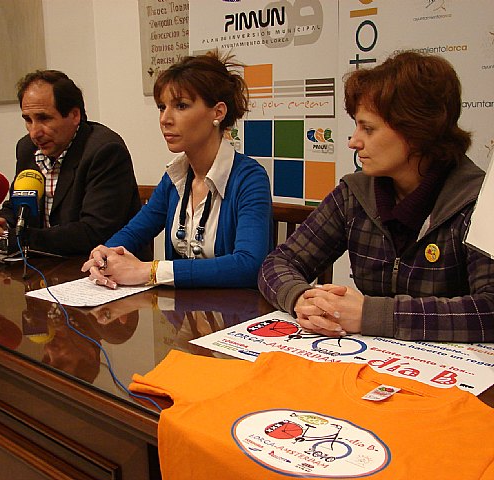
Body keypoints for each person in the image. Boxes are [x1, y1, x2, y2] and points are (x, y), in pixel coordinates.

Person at [258, 51, 494, 343]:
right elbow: (278, 263)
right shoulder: (355, 194)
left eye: (368, 129)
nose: (353, 141)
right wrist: (301, 300)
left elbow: (489, 308)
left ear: (417, 131)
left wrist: (372, 315)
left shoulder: (478, 201)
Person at [81, 50, 273, 289]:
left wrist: (149, 271)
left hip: (232, 309)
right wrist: (105, 254)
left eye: (181, 106)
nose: (165, 119)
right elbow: (134, 232)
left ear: (218, 112)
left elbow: (248, 265)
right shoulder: (176, 177)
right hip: (180, 309)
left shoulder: (250, 178)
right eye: (162, 107)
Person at [0, 70, 142, 256]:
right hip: (44, 263)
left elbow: (94, 232)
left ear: (74, 115)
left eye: (44, 118)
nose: (34, 132)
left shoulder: (105, 151)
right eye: (28, 120)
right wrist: (3, 222)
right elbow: (19, 204)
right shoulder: (27, 148)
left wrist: (18, 239)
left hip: (98, 263)